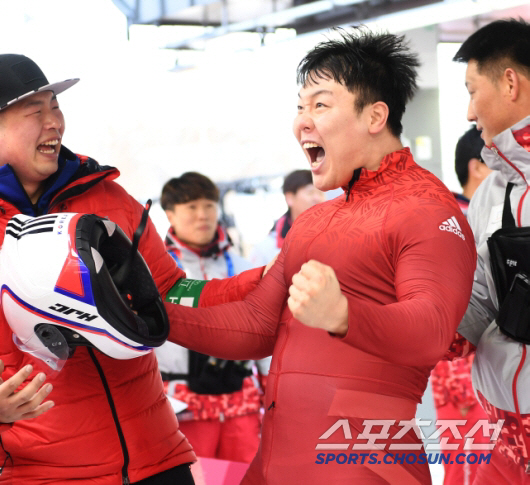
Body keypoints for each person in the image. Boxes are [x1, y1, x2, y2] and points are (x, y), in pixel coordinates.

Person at [0, 54, 262, 484]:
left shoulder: (107, 198)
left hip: (160, 463)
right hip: (39, 476)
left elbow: (172, 295)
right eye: (35, 112)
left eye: (55, 107)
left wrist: (264, 282)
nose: (54, 123)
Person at [163, 27, 477, 484]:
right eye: (300, 107)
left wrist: (346, 315)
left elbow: (431, 329)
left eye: (320, 105)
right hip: (274, 461)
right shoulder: (313, 221)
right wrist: (152, 318)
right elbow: (255, 323)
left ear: (375, 116)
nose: (301, 122)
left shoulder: (427, 210)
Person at [448, 18, 530, 484]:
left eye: (471, 90)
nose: (467, 112)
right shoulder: (490, 192)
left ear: (510, 82)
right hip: (502, 434)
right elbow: (478, 302)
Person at [156, 171, 265, 463]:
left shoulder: (244, 266)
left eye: (208, 205)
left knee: (248, 477)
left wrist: (272, 387)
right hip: (181, 404)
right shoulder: (157, 272)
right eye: (191, 207)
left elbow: (265, 328)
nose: (202, 215)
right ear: (170, 214)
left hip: (241, 400)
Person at [429, 125, 491, 485]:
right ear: (477, 167)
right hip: (461, 369)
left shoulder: (482, 214)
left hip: (483, 364)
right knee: (469, 465)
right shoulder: (452, 220)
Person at [249, 169, 325, 266]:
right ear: (289, 198)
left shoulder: (337, 236)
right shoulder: (266, 247)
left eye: (321, 193)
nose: (317, 198)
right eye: (310, 192)